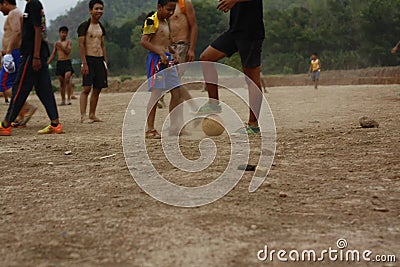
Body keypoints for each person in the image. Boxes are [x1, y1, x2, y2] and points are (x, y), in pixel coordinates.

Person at [198, 0, 265, 135]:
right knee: (206, 58)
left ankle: (253, 125)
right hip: (234, 31)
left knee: (251, 79)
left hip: (251, 32)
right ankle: (213, 103)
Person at [0, 0, 62, 136]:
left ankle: (5, 125)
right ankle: (55, 123)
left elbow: (37, 29)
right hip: (37, 53)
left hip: (31, 54)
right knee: (44, 89)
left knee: (19, 88)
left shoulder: (32, 5)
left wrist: (35, 56)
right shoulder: (33, 5)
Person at [141, 0, 183, 139]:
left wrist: (174, 52)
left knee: (177, 92)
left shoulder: (166, 22)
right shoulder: (151, 21)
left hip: (167, 59)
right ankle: (150, 129)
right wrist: (159, 53)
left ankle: (175, 126)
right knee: (156, 94)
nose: (170, 13)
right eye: (168, 9)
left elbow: (166, 42)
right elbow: (144, 42)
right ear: (159, 7)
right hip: (156, 61)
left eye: (173, 10)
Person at [0, 0, 37, 127]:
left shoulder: (14, 13)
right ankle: (21, 115)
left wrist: (8, 52)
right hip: (14, 52)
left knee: (4, 84)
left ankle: (26, 107)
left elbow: (16, 31)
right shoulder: (16, 13)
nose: (0, 10)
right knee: (14, 85)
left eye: (0, 6)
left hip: (14, 53)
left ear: (5, 3)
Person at [158, 0, 198, 111]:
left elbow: (194, 26)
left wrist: (191, 49)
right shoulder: (168, 5)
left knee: (175, 81)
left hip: (182, 45)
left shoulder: (185, 3)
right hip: (170, 47)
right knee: (174, 82)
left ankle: (193, 107)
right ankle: (188, 112)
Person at [77, 0, 107, 123]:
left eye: (101, 8)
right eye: (96, 8)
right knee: (86, 88)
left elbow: (103, 45)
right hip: (88, 59)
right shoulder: (84, 26)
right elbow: (81, 45)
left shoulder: (101, 27)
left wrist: (105, 63)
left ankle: (92, 114)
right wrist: (84, 63)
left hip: (99, 59)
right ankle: (83, 116)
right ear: (90, 10)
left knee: (98, 88)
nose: (99, 11)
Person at [48, 26, 74, 106]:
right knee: (62, 82)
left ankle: (69, 99)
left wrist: (62, 46)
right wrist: (47, 63)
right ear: (59, 33)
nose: (63, 34)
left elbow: (68, 52)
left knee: (67, 79)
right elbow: (53, 54)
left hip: (67, 62)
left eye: (65, 33)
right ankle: (63, 100)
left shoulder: (68, 42)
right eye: (62, 32)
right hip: (60, 63)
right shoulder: (56, 43)